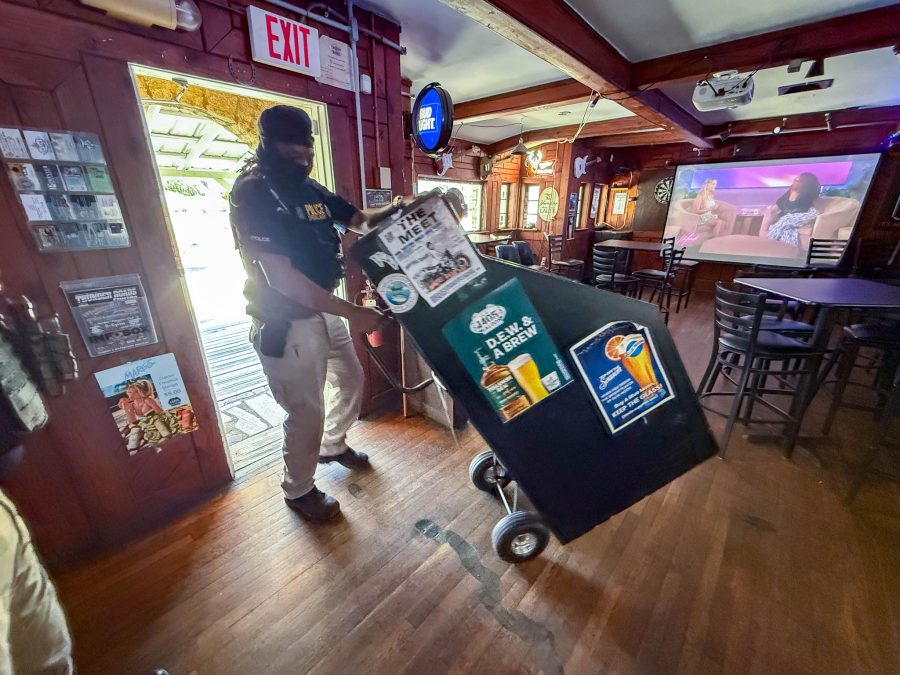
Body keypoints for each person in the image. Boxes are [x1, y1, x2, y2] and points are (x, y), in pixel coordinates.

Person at [230, 105, 390, 522]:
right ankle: (298, 490)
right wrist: (353, 312)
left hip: (321, 309)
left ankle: (331, 445)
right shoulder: (253, 192)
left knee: (351, 379)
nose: (301, 156)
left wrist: (403, 208)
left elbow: (359, 220)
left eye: (306, 147)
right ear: (268, 144)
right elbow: (281, 278)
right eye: (291, 148)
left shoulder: (311, 188)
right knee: (305, 410)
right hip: (285, 316)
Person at [766, 172, 822, 247]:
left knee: (785, 220)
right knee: (787, 231)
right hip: (791, 216)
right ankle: (790, 252)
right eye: (794, 180)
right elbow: (779, 204)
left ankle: (768, 243)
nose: (794, 182)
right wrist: (771, 211)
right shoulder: (788, 194)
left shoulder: (806, 196)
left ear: (804, 184)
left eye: (797, 181)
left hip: (808, 213)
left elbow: (801, 210)